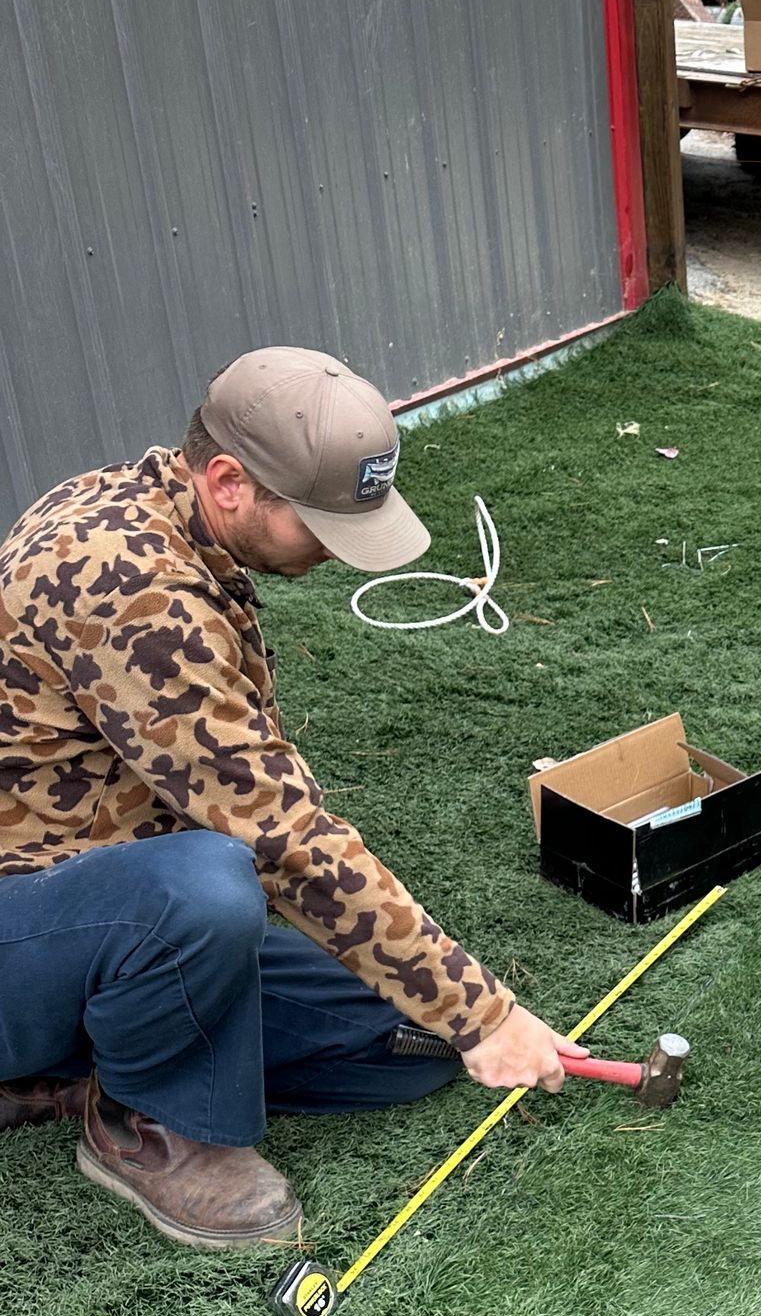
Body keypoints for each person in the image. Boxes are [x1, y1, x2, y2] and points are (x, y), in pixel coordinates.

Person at [0, 347, 571, 1250]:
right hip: (23, 915)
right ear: (229, 480)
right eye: (317, 522)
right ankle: (142, 1125)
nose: (339, 553)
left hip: (84, 893)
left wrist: (447, 1015)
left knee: (390, 1039)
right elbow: (279, 837)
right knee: (210, 887)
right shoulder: (131, 588)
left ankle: (68, 1066)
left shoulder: (161, 508)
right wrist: (482, 1011)